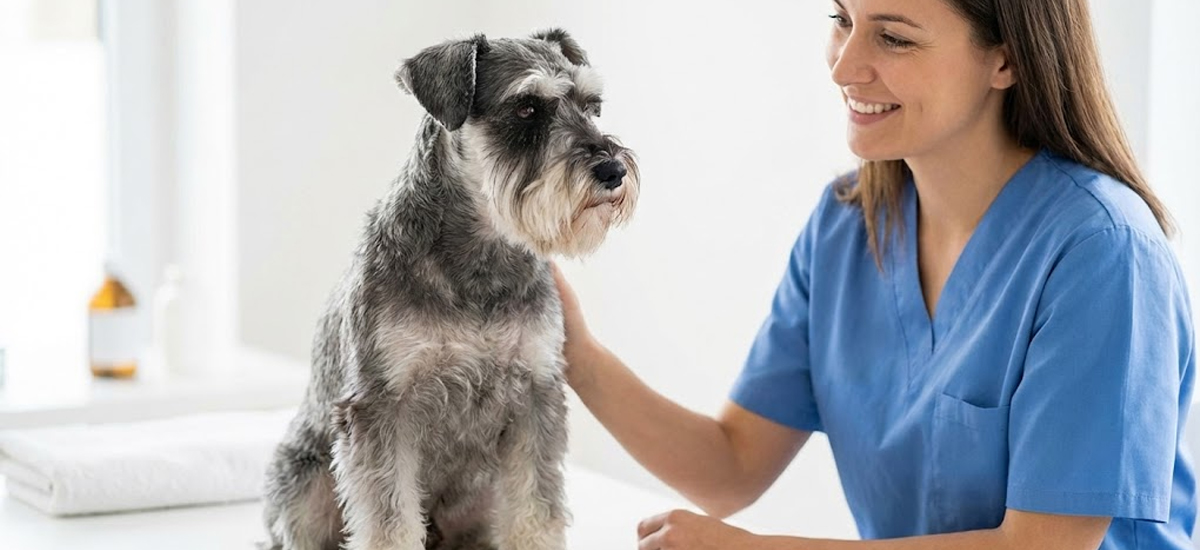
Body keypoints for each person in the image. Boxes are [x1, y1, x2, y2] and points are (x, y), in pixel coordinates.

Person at [551, 0, 1197, 548]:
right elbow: (729, 468)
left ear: (1007, 58)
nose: (843, 65)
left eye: (892, 37)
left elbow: (1042, 546)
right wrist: (572, 349)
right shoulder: (844, 229)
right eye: (842, 18)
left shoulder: (1103, 254)